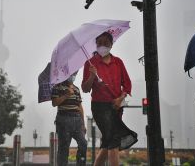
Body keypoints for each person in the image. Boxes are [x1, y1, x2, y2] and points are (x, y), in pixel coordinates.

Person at [81, 32, 137, 166]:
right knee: (114, 141)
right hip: (100, 107)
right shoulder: (90, 63)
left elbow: (127, 84)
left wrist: (120, 98)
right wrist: (92, 76)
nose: (102, 46)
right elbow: (85, 88)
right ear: (96, 44)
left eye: (106, 43)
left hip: (116, 106)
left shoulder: (118, 62)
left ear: (111, 44)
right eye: (99, 43)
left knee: (107, 143)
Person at [51, 72, 87, 166]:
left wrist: (83, 124)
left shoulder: (76, 89)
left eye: (75, 73)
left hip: (77, 119)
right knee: (64, 148)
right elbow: (54, 103)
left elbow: (80, 106)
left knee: (83, 143)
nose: (73, 76)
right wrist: (66, 95)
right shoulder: (57, 87)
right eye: (71, 73)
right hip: (63, 119)